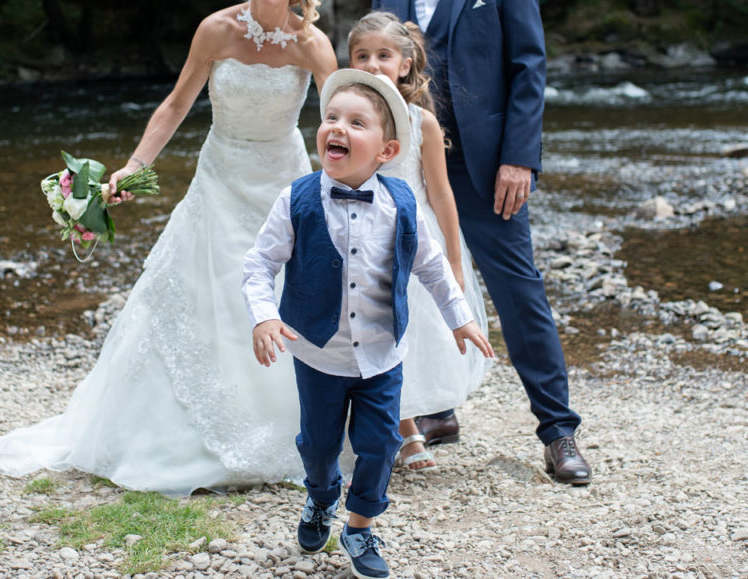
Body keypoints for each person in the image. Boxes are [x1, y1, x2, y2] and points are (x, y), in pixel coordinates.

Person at [0, 0, 337, 495]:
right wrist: (133, 168)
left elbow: (339, 119)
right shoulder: (215, 29)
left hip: (283, 182)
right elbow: (176, 103)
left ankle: (297, 425)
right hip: (220, 176)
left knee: (285, 291)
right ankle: (182, 432)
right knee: (203, 291)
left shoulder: (310, 41)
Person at [242, 69, 494, 579]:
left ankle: (359, 525)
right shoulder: (296, 199)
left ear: (387, 150)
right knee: (317, 445)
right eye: (331, 117)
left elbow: (431, 265)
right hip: (318, 354)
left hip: (383, 355)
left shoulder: (402, 204)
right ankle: (321, 496)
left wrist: (460, 319)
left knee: (380, 445)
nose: (338, 127)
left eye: (356, 122)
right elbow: (258, 265)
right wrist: (265, 317)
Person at [372, 0, 592, 484]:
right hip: (402, 161)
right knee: (402, 287)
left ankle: (558, 431)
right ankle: (435, 409)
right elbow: (375, 64)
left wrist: (519, 157)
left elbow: (529, 64)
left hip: (488, 164)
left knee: (518, 290)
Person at [347, 11, 491, 472]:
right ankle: (399, 430)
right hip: (360, 239)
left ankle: (405, 427)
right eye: (361, 56)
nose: (372, 64)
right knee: (366, 332)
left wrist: (453, 257)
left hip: (412, 241)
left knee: (410, 336)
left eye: (383, 56)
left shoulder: (421, 122)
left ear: (405, 65)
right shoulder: (346, 117)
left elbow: (441, 193)